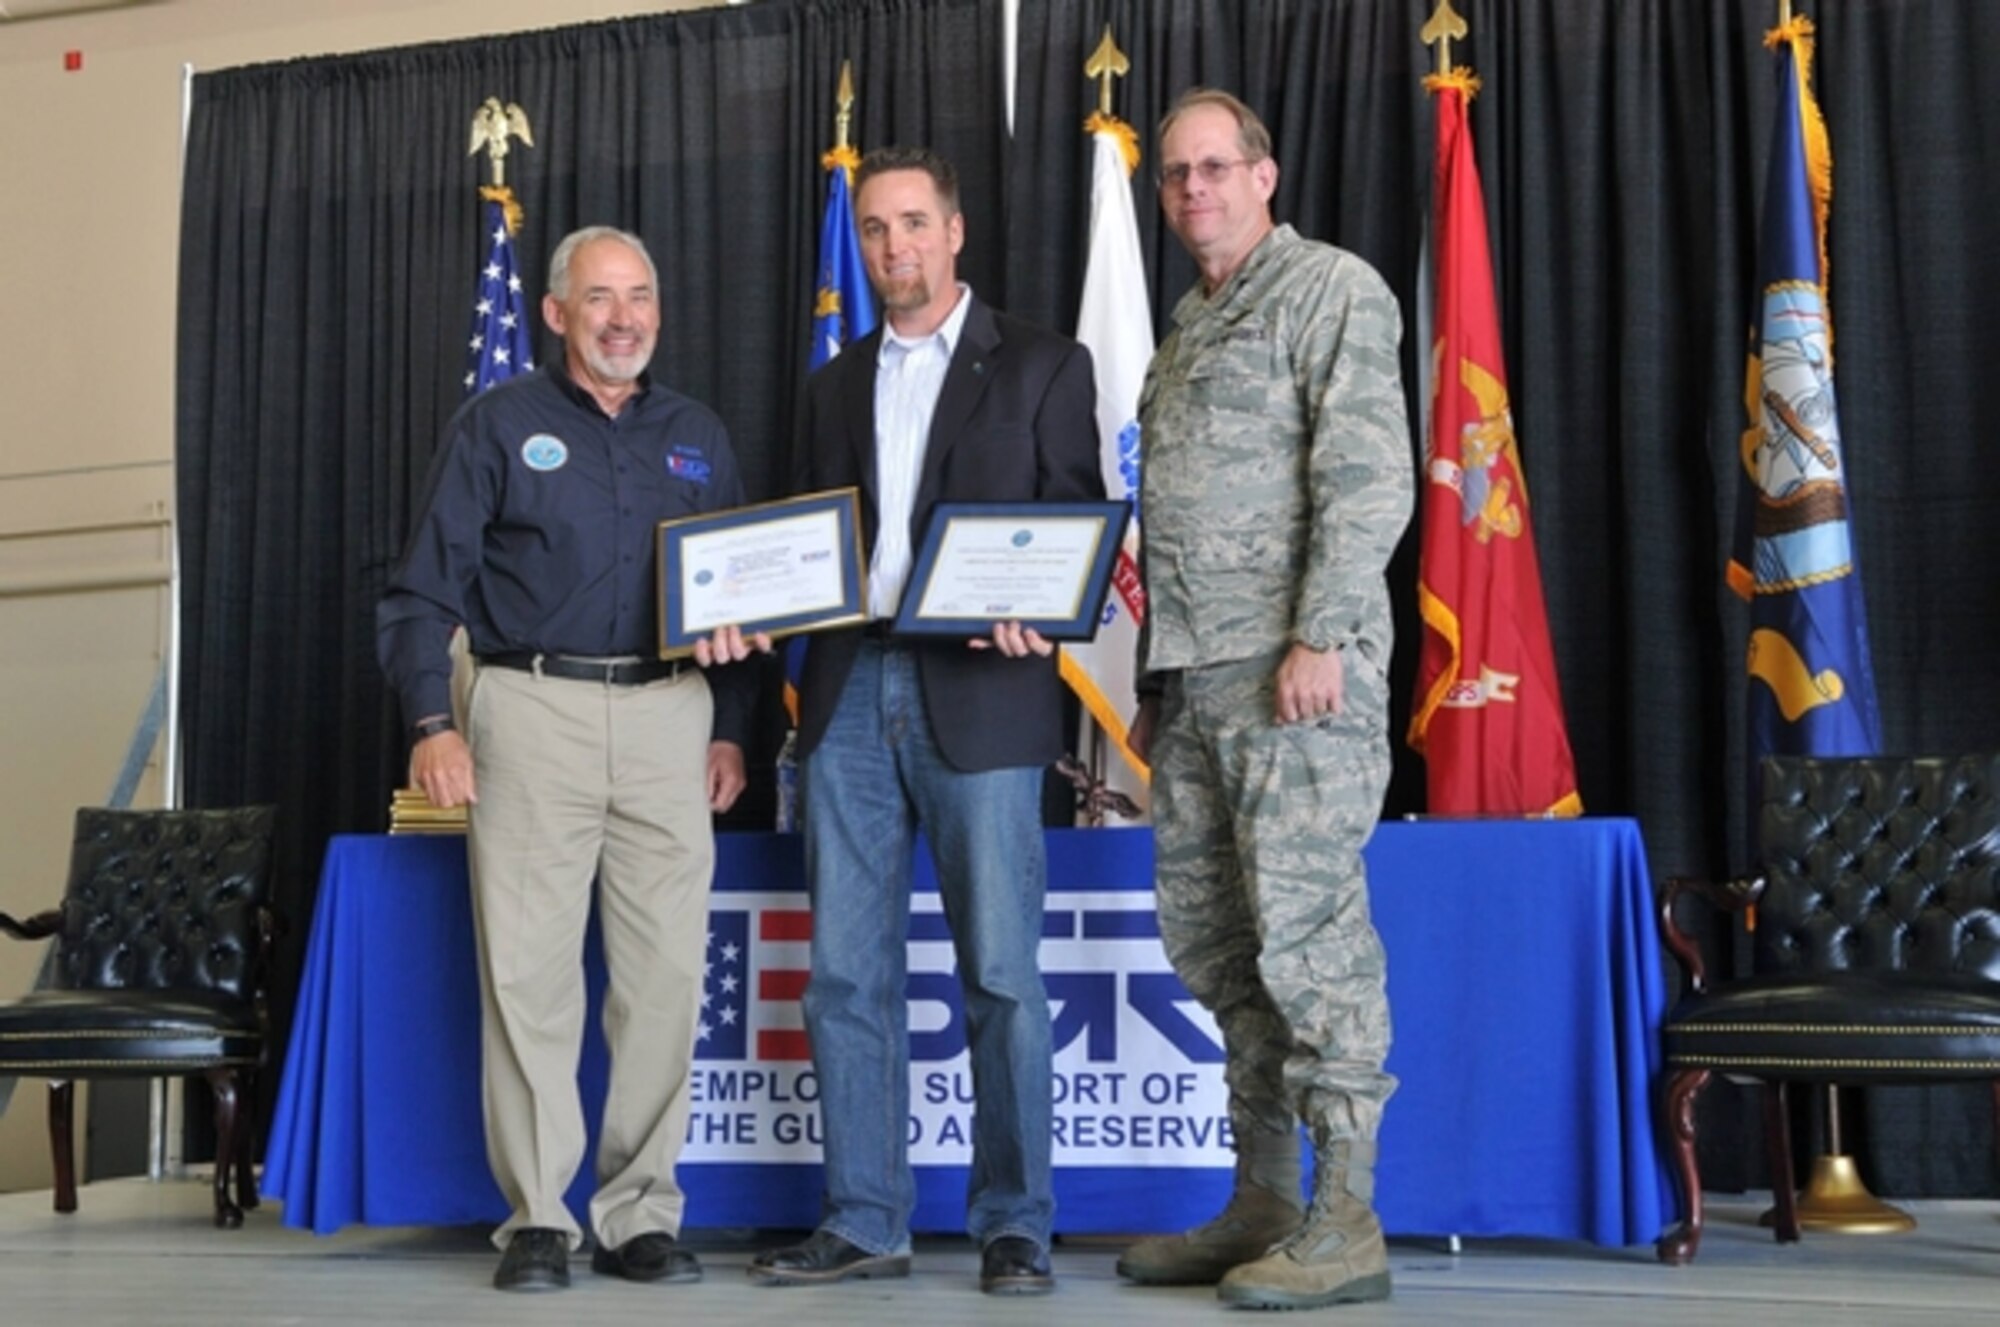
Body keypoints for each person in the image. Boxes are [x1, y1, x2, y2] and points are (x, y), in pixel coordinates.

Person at [741, 146, 1102, 1296]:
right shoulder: (830, 383)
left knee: (1000, 972)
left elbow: (1075, 515)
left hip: (984, 695)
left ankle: (1013, 1224)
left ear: (954, 232)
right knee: (846, 976)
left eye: (913, 224)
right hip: (849, 689)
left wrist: (1038, 612)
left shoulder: (1044, 362)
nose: (893, 247)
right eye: (875, 230)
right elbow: (811, 546)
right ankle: (863, 1217)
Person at [377, 225, 754, 1293]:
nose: (622, 316)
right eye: (599, 298)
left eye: (639, 296)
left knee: (664, 982)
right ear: (554, 313)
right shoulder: (496, 425)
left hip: (667, 719)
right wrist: (429, 723)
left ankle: (640, 1213)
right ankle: (540, 1216)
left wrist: (729, 723)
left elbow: (738, 597)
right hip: (528, 710)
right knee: (529, 977)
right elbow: (419, 591)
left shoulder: (699, 436)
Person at [1115, 89, 1414, 1310]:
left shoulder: (1327, 290)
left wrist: (1319, 632)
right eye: (1175, 174)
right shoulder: (1186, 325)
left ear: (1262, 173)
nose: (1191, 189)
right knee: (1220, 948)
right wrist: (1152, 683)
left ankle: (1345, 1218)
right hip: (1196, 685)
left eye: (1211, 168)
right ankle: (1264, 1198)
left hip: (1296, 679)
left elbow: (1364, 476)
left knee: (1308, 944)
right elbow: (1171, 519)